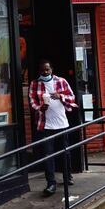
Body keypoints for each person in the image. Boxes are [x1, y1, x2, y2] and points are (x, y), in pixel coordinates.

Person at [29, 60, 77, 196]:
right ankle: (51, 183)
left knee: (65, 151)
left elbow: (72, 97)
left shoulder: (61, 81)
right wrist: (40, 108)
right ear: (39, 71)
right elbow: (32, 102)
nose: (45, 72)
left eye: (47, 70)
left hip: (61, 123)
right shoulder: (34, 84)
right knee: (48, 154)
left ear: (51, 70)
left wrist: (60, 96)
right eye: (43, 70)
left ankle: (67, 176)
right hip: (46, 125)